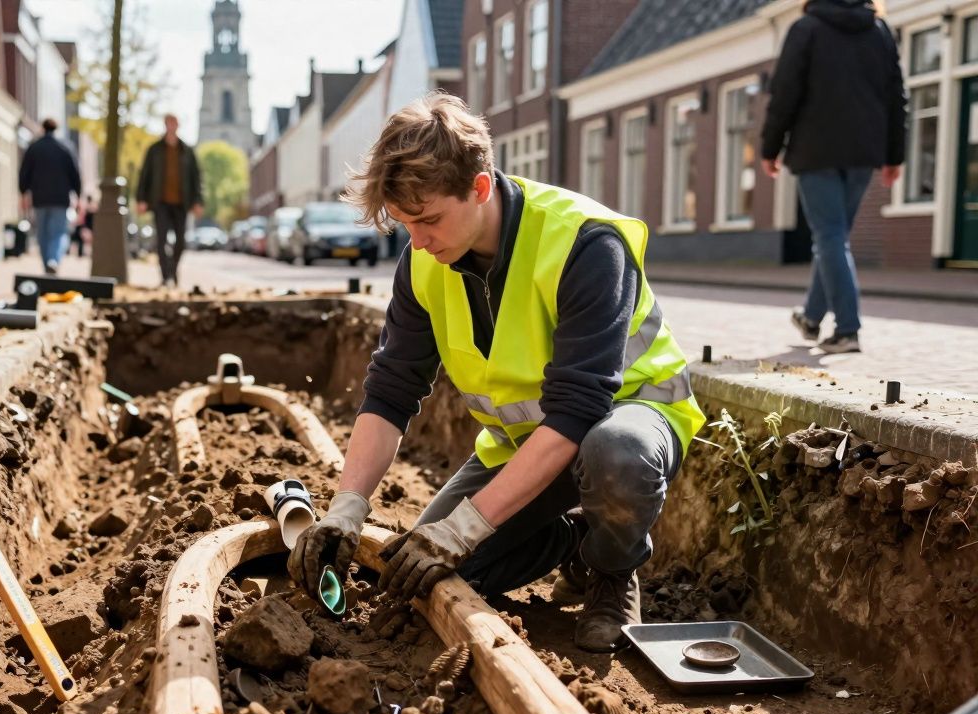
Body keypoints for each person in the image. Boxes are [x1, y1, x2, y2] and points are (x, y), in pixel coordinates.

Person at [286, 94, 705, 653]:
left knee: (616, 454)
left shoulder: (585, 243)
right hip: (528, 446)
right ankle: (581, 535)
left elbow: (579, 411)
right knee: (422, 581)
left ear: (479, 188)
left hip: (624, 421)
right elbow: (390, 393)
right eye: (406, 224)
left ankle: (611, 569)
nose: (418, 240)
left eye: (429, 219)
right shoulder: (424, 262)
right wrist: (347, 508)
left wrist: (463, 528)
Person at [761, 0, 906, 354]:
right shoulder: (879, 30)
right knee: (834, 239)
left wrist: (770, 147)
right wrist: (894, 155)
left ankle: (847, 329)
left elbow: (784, 93)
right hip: (863, 153)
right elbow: (896, 96)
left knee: (830, 238)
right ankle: (811, 318)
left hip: (816, 151)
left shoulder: (806, 28)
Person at [136, 115, 204, 286]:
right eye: (168, 123)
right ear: (165, 125)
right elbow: (145, 174)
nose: (171, 126)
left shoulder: (187, 150)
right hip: (160, 202)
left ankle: (173, 271)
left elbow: (196, 178)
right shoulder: (155, 150)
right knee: (161, 240)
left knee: (181, 241)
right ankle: (166, 276)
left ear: (178, 125)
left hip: (182, 202)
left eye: (174, 123)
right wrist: (141, 199)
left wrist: (198, 201)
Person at [18, 118, 83, 275]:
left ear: (42, 128)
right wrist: (78, 194)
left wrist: (23, 192)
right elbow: (75, 173)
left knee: (43, 233)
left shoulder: (34, 148)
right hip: (60, 199)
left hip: (40, 198)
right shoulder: (66, 147)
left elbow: (24, 172)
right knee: (59, 232)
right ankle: (53, 260)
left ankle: (47, 263)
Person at [71, 193, 96, 257]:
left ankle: (81, 253)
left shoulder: (87, 208)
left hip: (87, 227)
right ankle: (81, 253)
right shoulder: (92, 207)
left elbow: (82, 219)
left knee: (81, 238)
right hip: (89, 227)